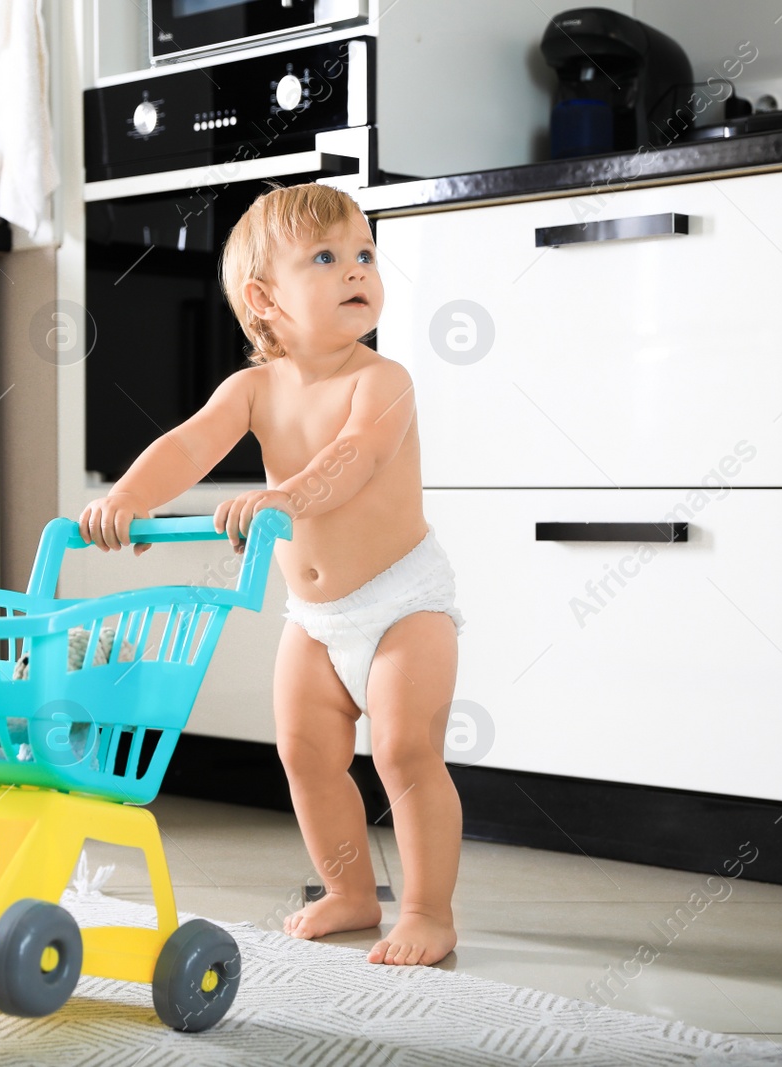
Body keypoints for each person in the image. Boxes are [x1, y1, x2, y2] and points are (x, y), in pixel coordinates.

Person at [78, 182, 464, 966]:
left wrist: (285, 495)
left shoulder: (382, 381)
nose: (357, 269)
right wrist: (130, 498)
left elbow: (356, 457)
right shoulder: (253, 388)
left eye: (363, 253)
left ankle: (426, 908)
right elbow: (188, 446)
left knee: (402, 748)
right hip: (315, 617)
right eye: (325, 258)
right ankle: (352, 891)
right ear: (264, 299)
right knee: (303, 751)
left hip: (403, 602)